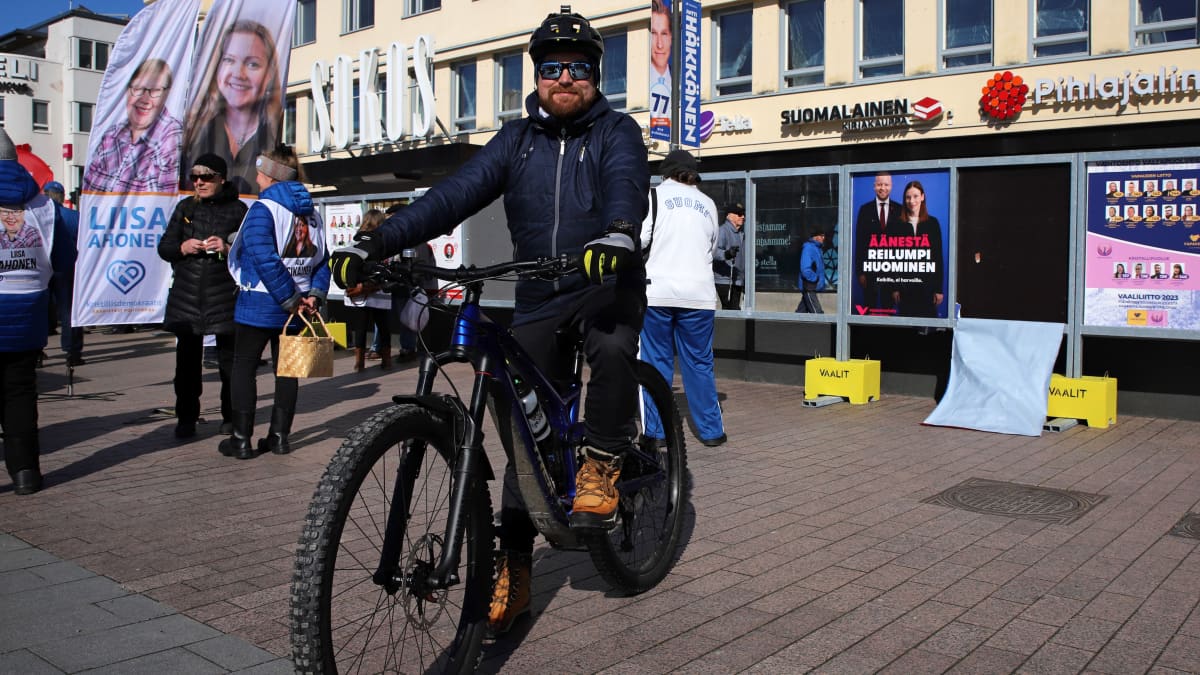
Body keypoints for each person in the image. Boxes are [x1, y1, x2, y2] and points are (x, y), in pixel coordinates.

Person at [329, 7, 648, 635]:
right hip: (537, 293)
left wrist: (618, 230)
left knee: (612, 351)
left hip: (604, 282)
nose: (564, 78)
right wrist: (378, 243)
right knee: (521, 431)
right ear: (536, 76)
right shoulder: (516, 140)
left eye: (577, 68)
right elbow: (452, 195)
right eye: (552, 68)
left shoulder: (617, 131)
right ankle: (517, 564)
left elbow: (625, 183)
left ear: (594, 76)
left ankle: (604, 460)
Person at [222, 145, 328, 459]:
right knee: (288, 371)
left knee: (244, 367)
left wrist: (288, 298)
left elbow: (263, 256)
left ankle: (241, 440)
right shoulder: (312, 212)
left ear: (270, 175)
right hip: (299, 307)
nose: (256, 178)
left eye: (260, 172)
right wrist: (313, 295)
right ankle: (279, 438)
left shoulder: (263, 208)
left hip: (261, 301)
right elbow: (324, 260)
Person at [0, 128, 72, 495]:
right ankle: (26, 472)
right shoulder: (45, 205)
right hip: (28, 309)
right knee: (20, 394)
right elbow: (61, 259)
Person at [157, 153, 247, 439]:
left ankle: (230, 417)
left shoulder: (238, 209)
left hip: (224, 294)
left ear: (221, 179)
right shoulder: (185, 207)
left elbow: (250, 251)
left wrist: (226, 247)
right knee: (186, 366)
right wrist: (182, 247)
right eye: (194, 177)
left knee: (229, 363)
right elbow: (165, 247)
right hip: (187, 295)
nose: (199, 182)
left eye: (206, 177)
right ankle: (186, 417)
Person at [640, 150, 726, 447]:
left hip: (658, 291)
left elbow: (640, 240)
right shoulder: (708, 203)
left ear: (665, 172)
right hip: (699, 294)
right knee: (700, 363)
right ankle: (712, 432)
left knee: (655, 363)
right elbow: (712, 248)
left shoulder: (653, 197)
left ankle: (657, 432)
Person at [181, 20, 283, 196]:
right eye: (229, 60)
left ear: (269, 74)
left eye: (252, 64)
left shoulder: (276, 141)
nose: (238, 74)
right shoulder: (192, 135)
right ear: (217, 68)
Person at [83, 59, 182, 194]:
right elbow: (89, 192)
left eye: (155, 91)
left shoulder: (172, 136)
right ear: (128, 91)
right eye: (138, 89)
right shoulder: (111, 135)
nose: (145, 99)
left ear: (167, 95)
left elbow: (161, 197)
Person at [343, 209, 393, 372]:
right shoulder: (384, 242)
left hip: (359, 290)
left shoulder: (357, 241)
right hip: (378, 289)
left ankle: (359, 363)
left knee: (361, 327)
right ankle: (386, 361)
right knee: (383, 325)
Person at [43, 181, 83, 366]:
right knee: (69, 310)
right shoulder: (74, 217)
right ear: (61, 195)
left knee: (40, 309)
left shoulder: (37, 217)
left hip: (42, 268)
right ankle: (72, 352)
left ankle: (37, 352)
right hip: (67, 267)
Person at [893, 180, 944, 317]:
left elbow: (937, 258)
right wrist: (895, 287)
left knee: (927, 329)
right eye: (908, 197)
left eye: (915, 196)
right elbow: (893, 258)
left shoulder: (932, 223)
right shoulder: (898, 224)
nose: (911, 201)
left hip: (927, 287)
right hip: (905, 287)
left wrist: (938, 289)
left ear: (922, 197)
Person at [855, 171, 903, 311]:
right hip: (870, 270)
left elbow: (903, 245)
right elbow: (860, 243)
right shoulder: (865, 210)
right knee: (869, 307)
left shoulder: (900, 209)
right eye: (879, 184)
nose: (883, 188)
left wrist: (899, 278)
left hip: (892, 271)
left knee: (889, 309)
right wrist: (860, 272)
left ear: (891, 186)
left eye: (886, 184)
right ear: (874, 186)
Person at [713, 203, 745, 309]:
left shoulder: (741, 233)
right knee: (731, 309)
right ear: (729, 216)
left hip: (737, 279)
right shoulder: (722, 231)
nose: (743, 216)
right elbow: (713, 251)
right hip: (725, 280)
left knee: (734, 309)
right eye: (739, 214)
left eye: (743, 214)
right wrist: (726, 254)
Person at [648, 0, 672, 139]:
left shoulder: (683, 78)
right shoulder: (641, 81)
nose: (659, 44)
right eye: (653, 34)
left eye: (664, 34)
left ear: (671, 37)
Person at [796, 228, 826, 313]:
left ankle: (792, 325)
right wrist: (815, 279)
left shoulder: (817, 249)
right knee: (818, 313)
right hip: (809, 286)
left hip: (812, 286)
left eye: (823, 235)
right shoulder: (808, 248)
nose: (823, 238)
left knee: (801, 313)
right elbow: (805, 269)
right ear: (815, 237)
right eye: (821, 235)